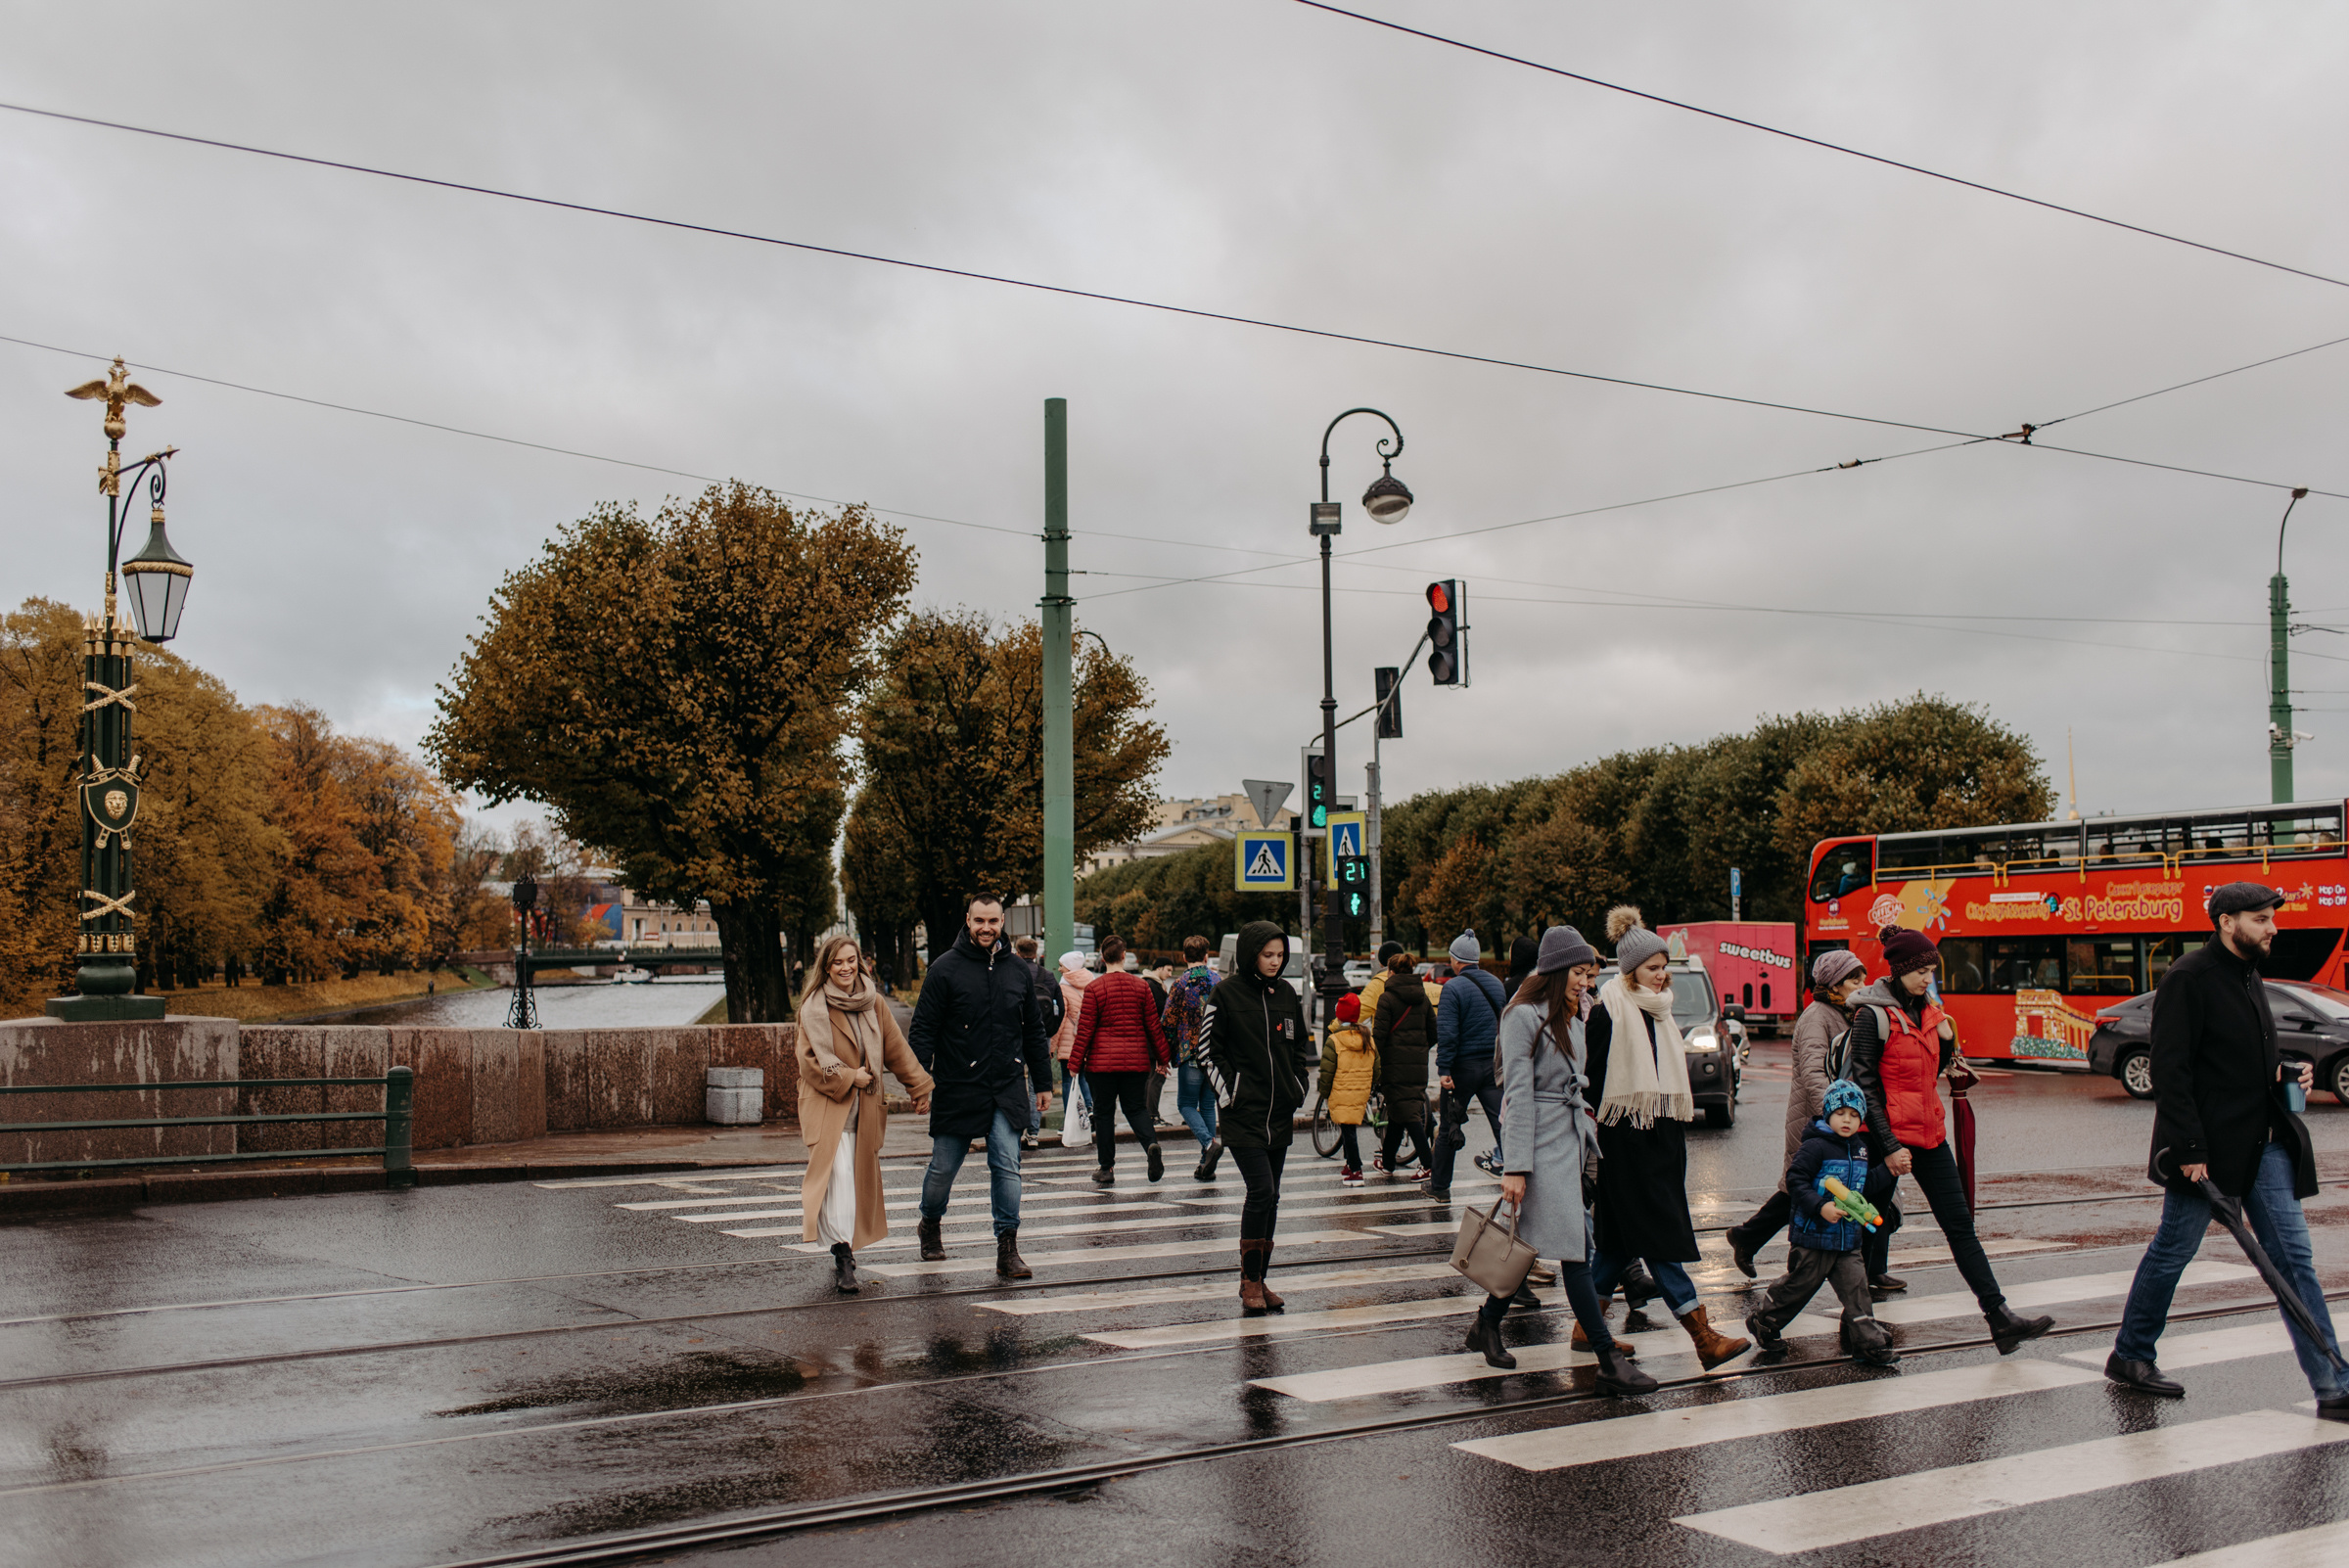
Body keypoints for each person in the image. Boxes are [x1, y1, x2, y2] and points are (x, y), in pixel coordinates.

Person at [2106, 883, 2345, 1414]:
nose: (2272, 928)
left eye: (2270, 919)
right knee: (2173, 1252)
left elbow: (2238, 1060)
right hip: (2207, 1157)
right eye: (2260, 919)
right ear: (2226, 922)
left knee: (2294, 1263)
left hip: (2265, 1147)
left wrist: (2288, 1072)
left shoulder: (2249, 975)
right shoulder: (2189, 978)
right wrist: (2190, 1149)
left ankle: (2334, 1385)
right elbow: (2172, 1070)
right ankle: (2131, 1353)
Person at [1463, 924, 1657, 1397]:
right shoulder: (1522, 1015)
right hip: (1538, 1140)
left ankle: (1487, 1322)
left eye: (1588, 975)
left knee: (1532, 1242)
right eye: (1578, 973)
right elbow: (1520, 1093)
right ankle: (1607, 1356)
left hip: (1567, 1138)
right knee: (1574, 1250)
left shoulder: (1572, 1014)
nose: (1585, 983)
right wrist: (1514, 1166)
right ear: (1553, 969)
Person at [1850, 923, 2054, 1354]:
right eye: (1922, 970)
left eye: (1931, 970)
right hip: (1884, 1141)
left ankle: (2000, 1318)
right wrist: (1888, 1147)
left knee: (1960, 1226)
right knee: (1862, 1232)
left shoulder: (1931, 1013)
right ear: (1900, 968)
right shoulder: (1871, 1015)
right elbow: (1865, 1085)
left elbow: (1933, 1074)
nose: (1929, 978)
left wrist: (1946, 1042)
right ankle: (1846, 1326)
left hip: (1929, 1135)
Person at [1588, 907, 1752, 1370]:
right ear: (1630, 970)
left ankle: (1588, 1327)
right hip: (1626, 1142)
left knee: (1619, 1243)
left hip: (1661, 1139)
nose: (1662, 977)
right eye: (1653, 969)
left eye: (1664, 968)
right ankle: (1703, 1337)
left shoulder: (1660, 1011)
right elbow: (1593, 1082)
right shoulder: (1609, 1013)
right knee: (1659, 1238)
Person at [907, 894, 1055, 1279]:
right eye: (979, 921)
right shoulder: (945, 968)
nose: (986, 928)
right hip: (957, 1085)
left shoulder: (1019, 970)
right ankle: (930, 1222)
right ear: (967, 920)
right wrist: (918, 1082)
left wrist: (1043, 1082)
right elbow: (923, 1028)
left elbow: (1034, 1031)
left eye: (993, 921)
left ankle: (1007, 1246)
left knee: (1007, 1164)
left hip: (1006, 1084)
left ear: (1003, 921)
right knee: (943, 1169)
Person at [1725, 949, 1893, 1283]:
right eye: (1854, 980)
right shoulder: (1817, 1016)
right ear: (1834, 984)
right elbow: (1814, 1072)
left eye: (1862, 977)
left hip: (1837, 1120)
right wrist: (1837, 1117)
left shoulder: (1847, 1012)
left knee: (1805, 1187)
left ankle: (1750, 1238)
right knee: (1801, 1187)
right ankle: (1786, 1261)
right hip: (1815, 1121)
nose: (1863, 984)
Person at [796, 935, 935, 1293]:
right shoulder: (813, 1006)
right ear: (826, 967)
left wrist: (919, 1087)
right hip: (828, 1104)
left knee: (854, 1183)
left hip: (865, 1107)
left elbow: (896, 1049)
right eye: (838, 962)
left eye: (851, 960)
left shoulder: (874, 1003)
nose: (845, 968)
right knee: (838, 1175)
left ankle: (844, 1249)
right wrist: (848, 1076)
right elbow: (809, 1062)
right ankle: (844, 1258)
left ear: (860, 961)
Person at [1199, 921, 1313, 1314]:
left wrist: (1298, 1086)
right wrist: (1232, 1093)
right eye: (1268, 955)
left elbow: (1300, 1046)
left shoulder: (1286, 994)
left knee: (1274, 1197)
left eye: (1280, 956)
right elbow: (1206, 1051)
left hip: (1279, 1113)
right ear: (1251, 954)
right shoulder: (1225, 993)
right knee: (1261, 1192)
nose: (1275, 962)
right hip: (1243, 1116)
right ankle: (1249, 1281)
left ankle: (1261, 1280)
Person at [1744, 1081, 1898, 1364]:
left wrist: (1888, 1170)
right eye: (1840, 1113)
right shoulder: (1815, 1146)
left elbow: (1865, 1187)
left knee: (1857, 1287)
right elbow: (1796, 1180)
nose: (1847, 1120)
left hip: (1847, 1239)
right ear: (1827, 1114)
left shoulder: (1860, 1150)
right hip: (1813, 1236)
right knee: (1799, 1286)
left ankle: (1868, 1341)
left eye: (1854, 1115)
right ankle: (1765, 1321)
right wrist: (1821, 1206)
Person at [1068, 934, 1171, 1185]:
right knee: (1136, 1108)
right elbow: (1153, 1027)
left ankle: (1107, 1168)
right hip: (1136, 1063)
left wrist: (1074, 1063)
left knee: (1104, 1114)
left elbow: (1086, 1030)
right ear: (1124, 956)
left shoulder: (1094, 988)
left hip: (1100, 1066)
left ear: (1103, 958)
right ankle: (1151, 1146)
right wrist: (1162, 1059)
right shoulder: (1142, 987)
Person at [1434, 930, 1509, 1188]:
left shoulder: (1452, 988)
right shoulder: (1496, 983)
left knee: (1448, 1126)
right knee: (1502, 1124)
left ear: (1456, 961)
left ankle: (1440, 1186)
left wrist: (1444, 1067)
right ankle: (1517, 1173)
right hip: (1492, 1066)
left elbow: (1447, 1033)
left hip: (1462, 1069)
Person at [1161, 936, 1224, 1178]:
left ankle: (1209, 1145)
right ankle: (1206, 1164)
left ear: (1184, 957)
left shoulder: (1180, 983)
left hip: (1190, 1052)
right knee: (1208, 1105)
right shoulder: (1218, 981)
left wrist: (1164, 1054)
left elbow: (1168, 1021)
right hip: (1214, 1053)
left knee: (1185, 1104)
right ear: (1206, 956)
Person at [1370, 951, 1436, 1182]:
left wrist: (1373, 1064)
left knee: (1408, 1114)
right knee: (1399, 1112)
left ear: (1390, 972)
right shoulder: (1423, 997)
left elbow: (1378, 1037)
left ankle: (1429, 1165)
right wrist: (1418, 1049)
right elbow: (1433, 1033)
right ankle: (1388, 1163)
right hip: (1418, 1064)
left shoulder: (1386, 999)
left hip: (1394, 1065)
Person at [1319, 991, 1379, 1186]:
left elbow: (1327, 1071)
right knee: (1348, 1127)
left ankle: (1356, 1169)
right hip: (1361, 1090)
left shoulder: (1334, 1040)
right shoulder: (1368, 1039)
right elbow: (1377, 1067)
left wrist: (1324, 1091)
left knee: (1348, 1131)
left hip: (1340, 1089)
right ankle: (1348, 1163)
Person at [1011, 936, 1064, 1151]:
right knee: (1036, 1086)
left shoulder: (1012, 972)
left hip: (1014, 1036)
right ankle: (1033, 1133)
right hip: (1040, 1036)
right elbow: (1060, 1008)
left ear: (1017, 951)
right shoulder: (1048, 976)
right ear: (1035, 953)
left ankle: (1014, 1130)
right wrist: (1049, 1032)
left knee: (1013, 1082)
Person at [1052, 949, 1093, 1114]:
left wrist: (1051, 1046)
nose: (1060, 969)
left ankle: (1071, 1117)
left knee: (1068, 1080)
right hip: (1086, 1039)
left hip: (1069, 1042)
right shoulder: (1090, 982)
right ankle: (1089, 1109)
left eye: (1062, 966)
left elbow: (1060, 1020)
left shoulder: (1063, 988)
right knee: (1083, 1077)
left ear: (1069, 968)